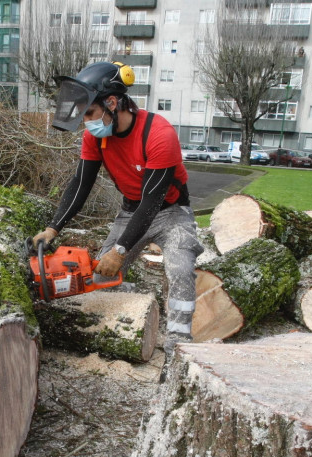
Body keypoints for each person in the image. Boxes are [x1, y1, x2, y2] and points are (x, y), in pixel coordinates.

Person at [32, 61, 204, 360]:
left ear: (112, 102)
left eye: (90, 113)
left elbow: (152, 202)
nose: (87, 122)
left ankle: (178, 349)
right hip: (130, 211)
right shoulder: (96, 138)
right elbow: (81, 184)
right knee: (97, 276)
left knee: (180, 269)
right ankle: (120, 329)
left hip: (171, 211)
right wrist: (53, 227)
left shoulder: (159, 134)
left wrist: (121, 249)